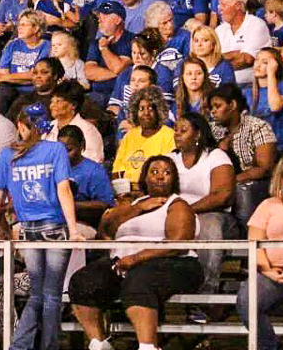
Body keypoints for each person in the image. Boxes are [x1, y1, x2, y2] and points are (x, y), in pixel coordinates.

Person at [69, 155, 203, 350]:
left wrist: (135, 259)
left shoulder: (178, 205)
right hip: (123, 262)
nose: (159, 177)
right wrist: (137, 208)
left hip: (174, 262)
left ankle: (148, 346)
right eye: (154, 172)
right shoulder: (136, 204)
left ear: (174, 179)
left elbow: (177, 244)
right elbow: (106, 231)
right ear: (145, 178)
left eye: (167, 173)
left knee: (139, 280)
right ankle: (99, 343)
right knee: (83, 280)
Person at [0, 103, 83, 350]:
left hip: (28, 228)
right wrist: (73, 229)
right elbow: (63, 189)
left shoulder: (8, 154)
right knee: (50, 294)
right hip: (54, 225)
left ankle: (21, 344)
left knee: (39, 293)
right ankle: (45, 346)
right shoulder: (56, 150)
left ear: (20, 126)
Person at [169, 113, 238, 315]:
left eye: (184, 130)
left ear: (198, 133)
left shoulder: (215, 156)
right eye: (176, 130)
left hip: (215, 215)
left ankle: (205, 297)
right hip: (179, 215)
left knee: (209, 226)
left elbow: (222, 195)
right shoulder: (170, 158)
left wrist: (187, 211)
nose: (177, 135)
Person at [236, 154, 283, 350]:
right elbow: (255, 242)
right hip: (274, 273)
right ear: (282, 179)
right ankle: (270, 346)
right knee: (247, 299)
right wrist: (266, 269)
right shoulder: (268, 206)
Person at [209, 83, 277, 232]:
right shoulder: (212, 129)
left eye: (217, 106)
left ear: (232, 105)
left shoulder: (257, 126)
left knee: (242, 189)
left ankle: (247, 242)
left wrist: (231, 181)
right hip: (219, 182)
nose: (213, 111)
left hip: (251, 184)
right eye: (211, 108)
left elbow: (264, 168)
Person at [0, 9, 50, 111]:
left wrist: (6, 78)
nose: (19, 28)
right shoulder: (13, 45)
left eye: (24, 25)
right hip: (10, 89)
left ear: (36, 28)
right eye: (19, 25)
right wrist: (16, 78)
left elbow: (35, 75)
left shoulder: (47, 46)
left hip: (35, 90)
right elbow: (2, 72)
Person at [113, 87, 175, 185]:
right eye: (141, 109)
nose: (146, 113)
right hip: (127, 190)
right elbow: (117, 171)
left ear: (158, 111)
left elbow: (168, 174)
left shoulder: (169, 136)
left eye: (150, 109)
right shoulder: (129, 136)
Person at [58, 125, 114, 230]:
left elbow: (105, 205)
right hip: (51, 221)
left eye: (69, 150)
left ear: (81, 145)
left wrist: (72, 206)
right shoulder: (51, 168)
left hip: (83, 223)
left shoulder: (94, 171)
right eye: (60, 149)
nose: (64, 154)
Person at [213, 0, 270, 85]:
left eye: (224, 5)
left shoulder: (256, 25)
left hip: (250, 85)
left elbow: (246, 59)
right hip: (222, 85)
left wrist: (220, 59)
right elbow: (210, 59)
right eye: (219, 4)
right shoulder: (219, 30)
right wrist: (234, 54)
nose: (219, 9)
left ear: (238, 5)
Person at [45, 80, 105, 163]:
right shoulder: (48, 127)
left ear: (73, 105)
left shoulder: (87, 130)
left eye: (58, 101)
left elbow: (95, 159)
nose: (52, 106)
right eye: (52, 101)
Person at [85, 0, 133, 102]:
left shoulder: (131, 40)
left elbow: (118, 68)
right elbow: (89, 72)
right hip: (97, 94)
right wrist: (117, 75)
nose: (99, 20)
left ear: (118, 20)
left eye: (105, 16)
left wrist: (104, 48)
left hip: (121, 96)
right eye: (99, 16)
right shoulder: (95, 42)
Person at [245, 48, 283, 154]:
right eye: (257, 60)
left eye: (265, 62)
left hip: (281, 147)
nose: (258, 65)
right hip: (256, 148)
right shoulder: (246, 92)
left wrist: (271, 74)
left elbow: (275, 106)